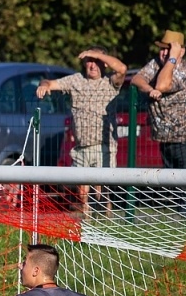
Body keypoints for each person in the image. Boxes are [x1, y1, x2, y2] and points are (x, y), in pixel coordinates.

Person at [36, 48, 128, 214]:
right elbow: (49, 82)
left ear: (104, 62)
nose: (92, 65)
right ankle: (87, 220)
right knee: (82, 192)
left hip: (104, 145)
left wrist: (97, 55)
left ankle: (105, 218)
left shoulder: (110, 82)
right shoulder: (75, 80)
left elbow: (122, 69)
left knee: (101, 189)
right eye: (89, 61)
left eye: (96, 61)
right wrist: (44, 86)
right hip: (81, 146)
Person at [132, 31, 186, 172]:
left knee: (185, 188)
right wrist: (149, 90)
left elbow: (162, 85)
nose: (165, 53)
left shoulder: (185, 70)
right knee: (171, 187)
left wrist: (172, 58)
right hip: (167, 140)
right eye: (162, 49)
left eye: (170, 49)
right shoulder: (156, 64)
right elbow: (137, 79)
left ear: (181, 51)